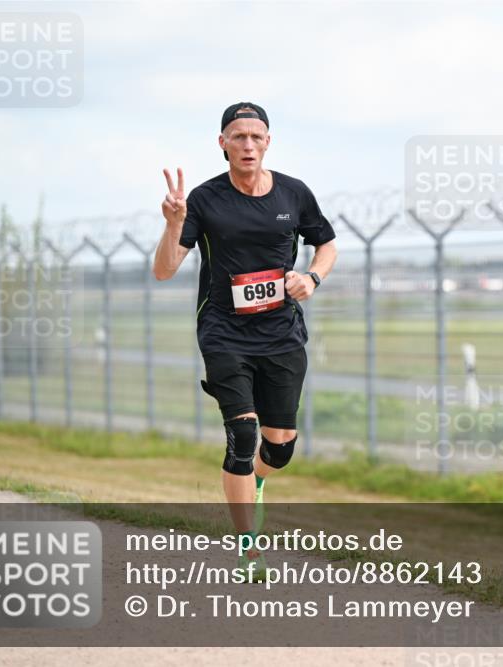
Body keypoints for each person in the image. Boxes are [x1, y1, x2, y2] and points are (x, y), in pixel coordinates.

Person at [152, 101, 337, 569]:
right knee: (242, 434)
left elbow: (327, 243)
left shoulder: (294, 194)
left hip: (281, 334)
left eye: (256, 136)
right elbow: (164, 270)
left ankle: (254, 480)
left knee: (279, 448)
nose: (248, 144)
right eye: (238, 136)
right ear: (223, 144)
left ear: (268, 142)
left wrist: (311, 278)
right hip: (223, 331)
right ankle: (249, 548)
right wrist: (174, 224)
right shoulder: (205, 199)